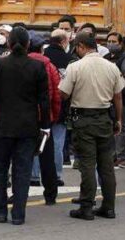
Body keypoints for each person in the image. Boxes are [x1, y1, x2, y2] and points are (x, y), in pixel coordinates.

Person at [0, 27, 50, 225]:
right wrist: (45, 126)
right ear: (28, 44)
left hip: (2, 125)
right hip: (28, 126)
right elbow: (44, 100)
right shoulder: (37, 67)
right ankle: (19, 213)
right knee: (22, 170)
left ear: (9, 44)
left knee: (0, 169)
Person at [59, 31, 125, 220]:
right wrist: (118, 119)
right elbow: (118, 95)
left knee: (87, 164)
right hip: (104, 118)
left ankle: (86, 206)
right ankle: (109, 206)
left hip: (83, 119)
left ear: (80, 46)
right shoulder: (111, 66)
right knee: (106, 165)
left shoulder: (75, 67)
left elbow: (63, 93)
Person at [27, 31, 60, 204]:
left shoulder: (22, 64)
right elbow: (55, 94)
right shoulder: (49, 66)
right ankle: (51, 194)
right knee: (47, 157)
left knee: (23, 156)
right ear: (41, 48)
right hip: (45, 117)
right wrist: (53, 116)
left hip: (25, 117)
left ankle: (19, 192)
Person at [44, 29, 74, 184]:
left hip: (42, 107)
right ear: (64, 41)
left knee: (40, 142)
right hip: (62, 106)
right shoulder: (69, 60)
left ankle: (35, 175)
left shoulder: (42, 57)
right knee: (58, 142)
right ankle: (56, 175)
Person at [104, 32, 125, 167]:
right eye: (109, 41)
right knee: (109, 128)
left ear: (120, 44)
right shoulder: (105, 57)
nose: (110, 44)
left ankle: (121, 155)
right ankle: (112, 154)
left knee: (120, 127)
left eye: (114, 41)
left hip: (122, 99)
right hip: (106, 98)